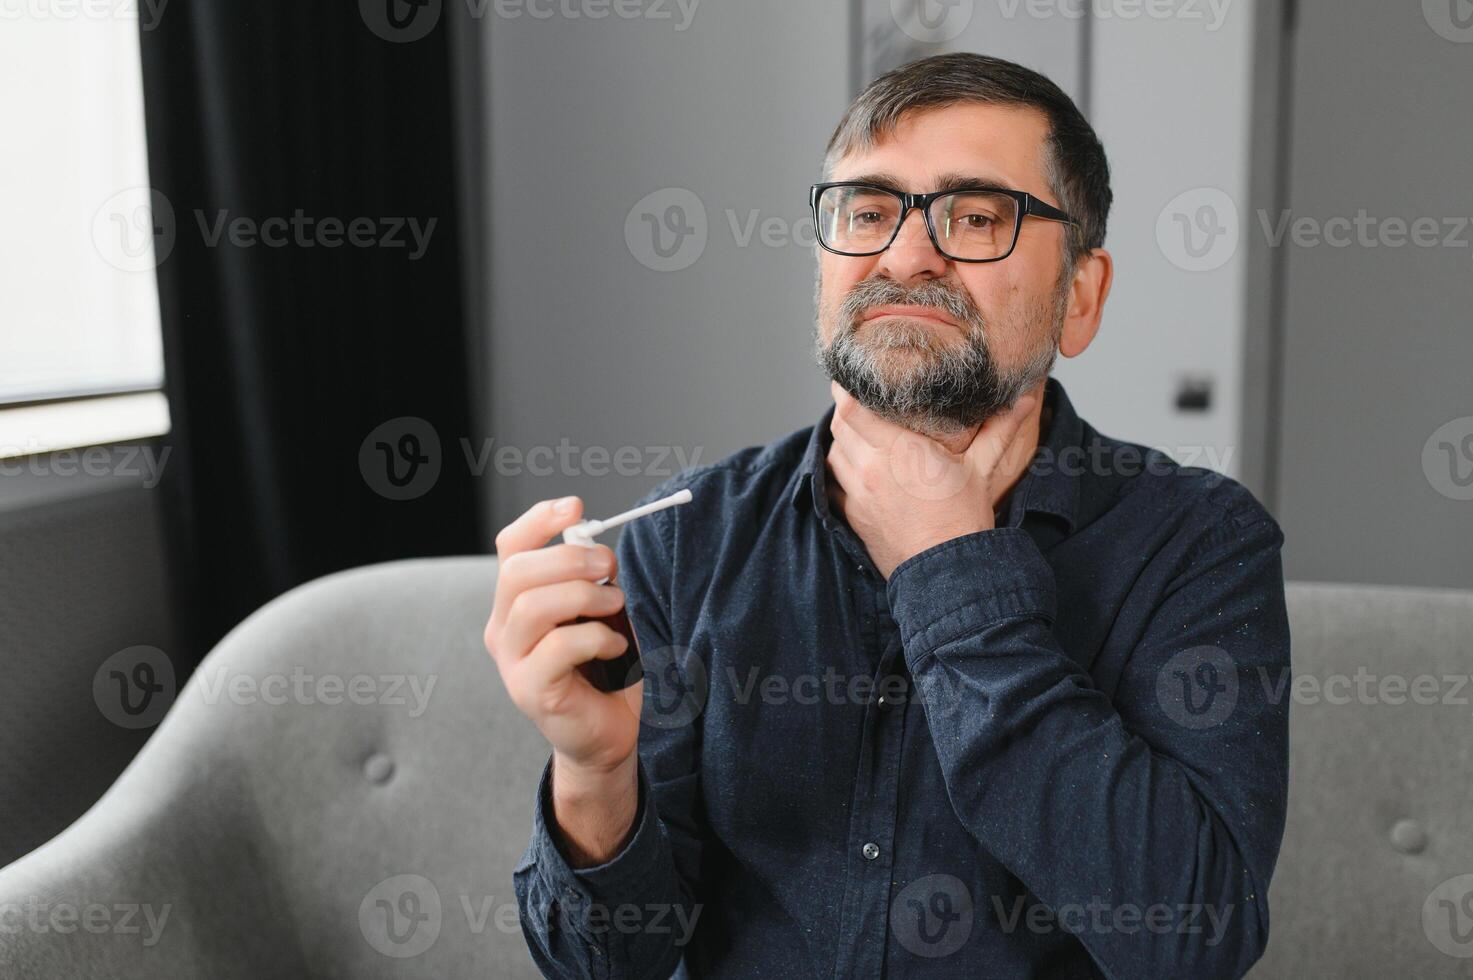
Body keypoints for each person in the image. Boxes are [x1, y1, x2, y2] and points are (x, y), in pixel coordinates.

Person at [486, 52, 1290, 979]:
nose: (906, 255)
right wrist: (592, 770)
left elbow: (1194, 941)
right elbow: (602, 965)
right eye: (868, 212)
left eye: (976, 218)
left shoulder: (1200, 545)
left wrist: (952, 565)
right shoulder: (683, 540)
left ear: (1080, 295)